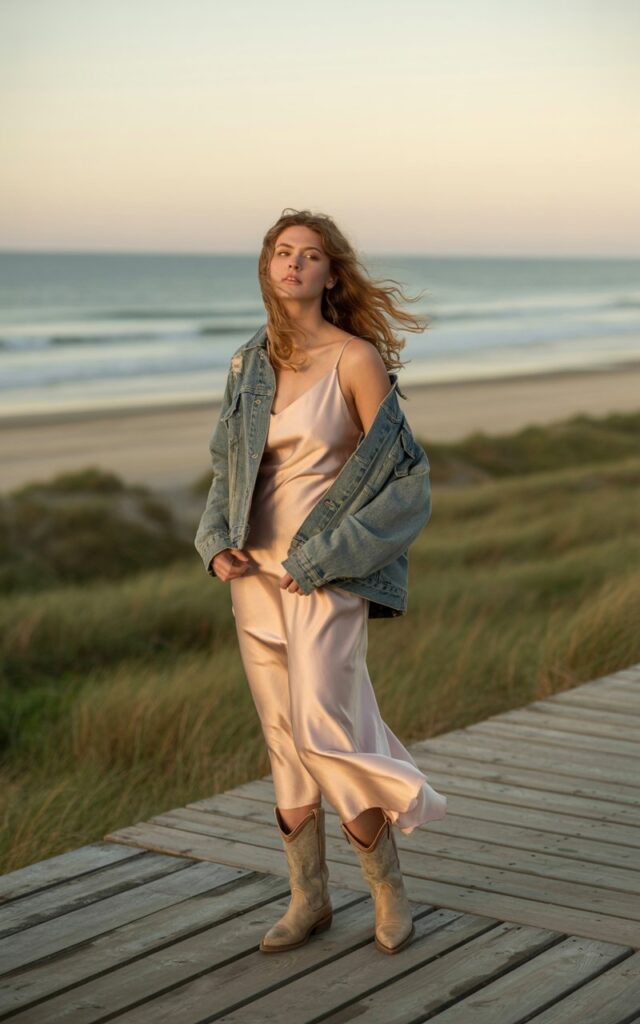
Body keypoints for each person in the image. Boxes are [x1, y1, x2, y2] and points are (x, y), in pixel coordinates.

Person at [196, 209, 447, 956]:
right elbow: (227, 470)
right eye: (283, 252)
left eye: (310, 255)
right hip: (253, 577)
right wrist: (216, 544)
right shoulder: (247, 364)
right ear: (268, 266)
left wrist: (325, 558)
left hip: (323, 576)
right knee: (282, 737)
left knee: (322, 729)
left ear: (332, 274)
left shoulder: (355, 360)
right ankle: (309, 898)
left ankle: (388, 890)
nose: (294, 264)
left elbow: (407, 482)